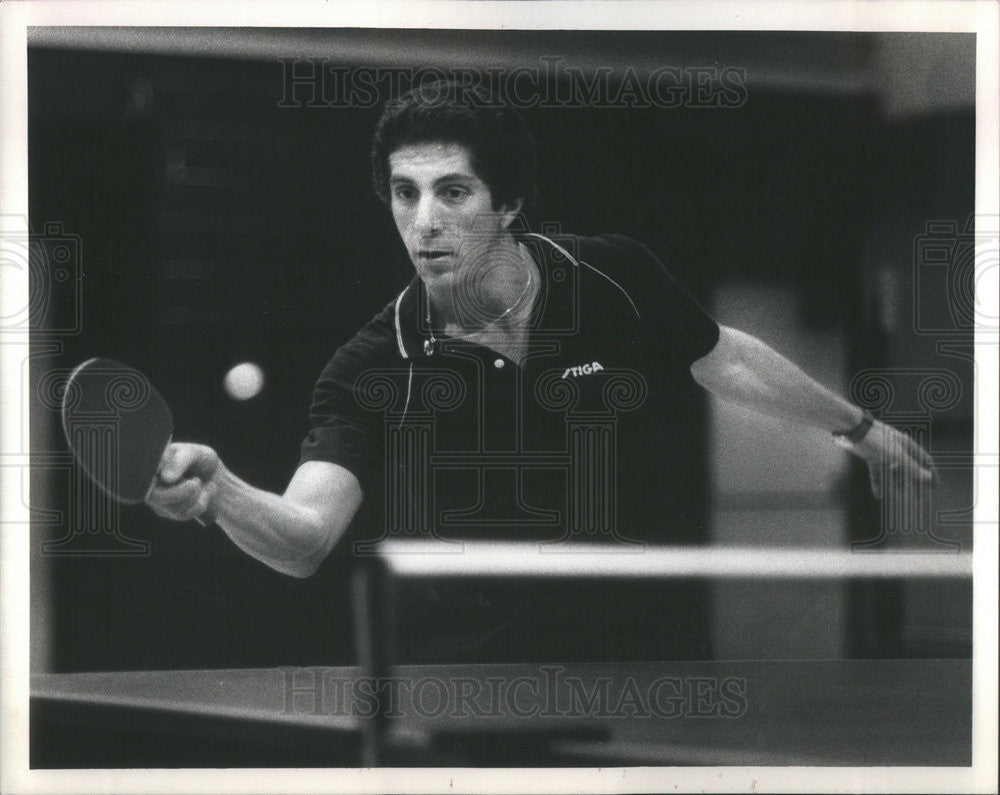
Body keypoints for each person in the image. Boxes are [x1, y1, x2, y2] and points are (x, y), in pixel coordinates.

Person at [146, 80, 936, 659]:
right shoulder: (369, 366)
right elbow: (307, 536)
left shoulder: (612, 278)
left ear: (510, 201)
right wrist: (221, 491)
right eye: (405, 192)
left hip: (635, 665)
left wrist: (858, 427)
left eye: (453, 191)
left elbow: (726, 357)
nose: (424, 221)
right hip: (463, 679)